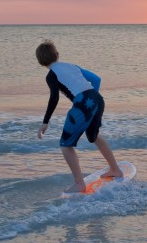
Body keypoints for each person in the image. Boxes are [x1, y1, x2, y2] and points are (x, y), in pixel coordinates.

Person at [35, 40, 122, 193]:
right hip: (97, 98)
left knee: (65, 144)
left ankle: (79, 183)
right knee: (93, 136)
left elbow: (54, 98)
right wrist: (91, 100)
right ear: (57, 54)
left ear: (41, 62)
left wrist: (45, 122)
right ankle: (115, 169)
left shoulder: (51, 75)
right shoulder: (72, 66)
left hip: (84, 103)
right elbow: (96, 80)